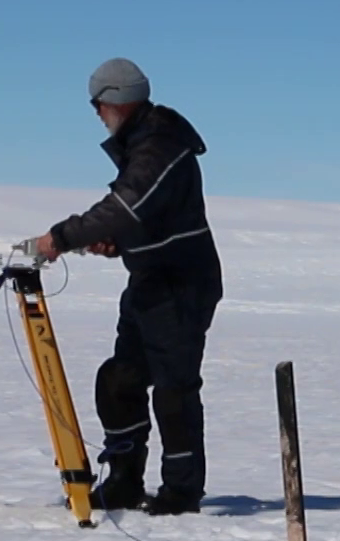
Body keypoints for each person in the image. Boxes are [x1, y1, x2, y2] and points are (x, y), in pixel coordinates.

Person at [31, 58, 224, 516]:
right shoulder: (144, 142)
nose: (97, 114)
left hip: (181, 284)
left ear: (118, 99)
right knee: (120, 380)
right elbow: (143, 217)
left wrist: (60, 238)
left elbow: (127, 204)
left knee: (174, 390)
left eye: (98, 105)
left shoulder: (160, 143)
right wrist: (115, 243)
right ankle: (123, 480)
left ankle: (181, 492)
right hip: (149, 281)